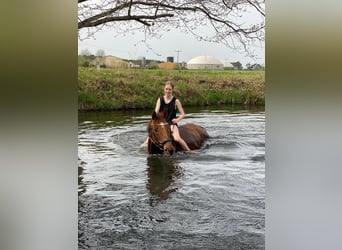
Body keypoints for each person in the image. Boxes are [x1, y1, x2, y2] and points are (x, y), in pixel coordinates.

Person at [143, 81, 190, 151]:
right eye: (166, 89)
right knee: (147, 141)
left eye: (169, 89)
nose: (168, 91)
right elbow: (156, 111)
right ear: (164, 89)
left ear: (172, 90)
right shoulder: (160, 99)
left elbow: (183, 114)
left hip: (171, 123)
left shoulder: (176, 101)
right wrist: (154, 119)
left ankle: (189, 151)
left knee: (177, 138)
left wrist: (177, 120)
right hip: (162, 122)